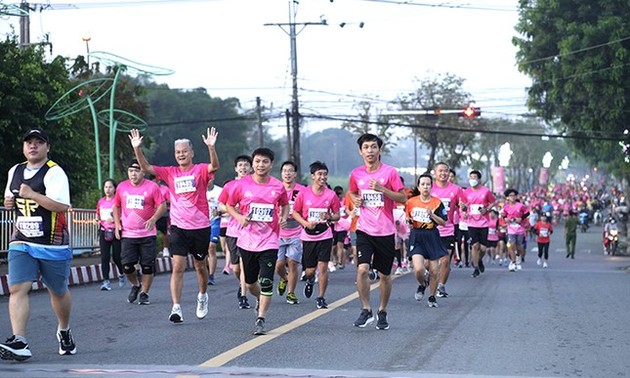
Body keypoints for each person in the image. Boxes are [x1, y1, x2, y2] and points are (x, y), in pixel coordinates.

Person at [129, 127, 219, 323]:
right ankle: (176, 307)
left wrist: (211, 147)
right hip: (178, 227)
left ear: (192, 153)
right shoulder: (170, 172)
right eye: (178, 152)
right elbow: (145, 168)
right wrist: (137, 148)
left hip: (200, 226)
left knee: (200, 266)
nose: (181, 155)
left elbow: (214, 166)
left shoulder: (200, 169)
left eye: (184, 151)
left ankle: (202, 295)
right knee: (177, 266)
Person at [1, 128, 76, 361]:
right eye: (29, 142)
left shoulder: (54, 173)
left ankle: (64, 329)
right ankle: (20, 340)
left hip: (52, 244)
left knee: (58, 291)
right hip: (21, 240)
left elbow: (62, 206)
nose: (33, 146)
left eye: (38, 142)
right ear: (24, 147)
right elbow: (11, 199)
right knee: (17, 288)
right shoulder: (15, 170)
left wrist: (32, 194)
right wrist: (8, 201)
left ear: (47, 147)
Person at [225, 148, 289, 335]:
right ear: (253, 163)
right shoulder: (241, 184)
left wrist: (284, 216)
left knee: (267, 281)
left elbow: (284, 204)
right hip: (246, 241)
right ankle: (259, 298)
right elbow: (229, 205)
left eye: (265, 162)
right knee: (251, 283)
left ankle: (261, 318)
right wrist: (239, 217)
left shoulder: (277, 186)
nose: (261, 165)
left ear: (271, 164)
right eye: (258, 161)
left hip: (269, 240)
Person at [348, 133, 407, 330]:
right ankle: (366, 309)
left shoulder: (390, 172)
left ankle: (382, 311)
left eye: (373, 147)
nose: (370, 151)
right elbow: (353, 191)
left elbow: (402, 198)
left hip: (385, 231)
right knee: (362, 269)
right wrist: (355, 199)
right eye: (366, 147)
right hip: (364, 229)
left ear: (379, 150)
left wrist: (383, 189)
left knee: (384, 276)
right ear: (360, 151)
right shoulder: (356, 173)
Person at [113, 160, 166, 305]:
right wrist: (117, 224)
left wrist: (154, 218)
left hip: (147, 234)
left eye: (136, 170)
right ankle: (136, 284)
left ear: (143, 172)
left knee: (147, 265)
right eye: (130, 171)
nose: (133, 174)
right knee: (127, 266)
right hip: (128, 234)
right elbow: (116, 206)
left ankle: (144, 292)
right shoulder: (122, 187)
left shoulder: (152, 187)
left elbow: (162, 206)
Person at [291, 161, 340, 309]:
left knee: (323, 267)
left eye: (325, 174)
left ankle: (321, 297)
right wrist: (306, 224)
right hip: (308, 236)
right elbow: (295, 212)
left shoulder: (331, 195)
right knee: (310, 270)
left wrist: (329, 218)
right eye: (319, 174)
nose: (323, 177)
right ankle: (310, 280)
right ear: (313, 176)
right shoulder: (304, 193)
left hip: (325, 234)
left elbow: (337, 215)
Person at [406, 174, 448, 308]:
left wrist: (432, 215)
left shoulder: (437, 202)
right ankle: (422, 284)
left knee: (435, 270)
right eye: (423, 184)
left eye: (428, 184)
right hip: (417, 236)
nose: (425, 187)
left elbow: (443, 222)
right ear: (418, 186)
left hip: (432, 236)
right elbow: (408, 220)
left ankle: (432, 296)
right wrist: (409, 222)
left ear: (431, 186)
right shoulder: (411, 202)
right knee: (418, 269)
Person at [218, 155, 253, 309]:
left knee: (244, 264)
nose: (243, 168)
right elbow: (221, 206)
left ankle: (244, 296)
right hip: (233, 231)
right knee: (236, 267)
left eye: (246, 165)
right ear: (236, 168)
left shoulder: (255, 186)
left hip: (250, 231)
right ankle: (242, 284)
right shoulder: (230, 186)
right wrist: (234, 210)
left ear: (251, 168)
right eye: (240, 165)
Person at [430, 162, 464, 298]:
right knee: (429, 263)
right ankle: (430, 275)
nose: (443, 173)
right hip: (430, 230)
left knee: (445, 260)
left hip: (447, 229)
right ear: (435, 173)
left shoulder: (456, 189)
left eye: (446, 171)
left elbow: (462, 204)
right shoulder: (429, 188)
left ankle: (441, 286)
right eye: (440, 171)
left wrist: (463, 207)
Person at [275, 161, 305, 305]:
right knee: (279, 265)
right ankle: (284, 278)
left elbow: (307, 207)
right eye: (285, 171)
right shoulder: (275, 189)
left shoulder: (302, 191)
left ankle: (291, 293)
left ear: (295, 174)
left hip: (296, 231)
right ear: (281, 174)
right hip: (279, 233)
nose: (287, 173)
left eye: (290, 171)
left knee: (293, 263)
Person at [459, 170, 496, 278]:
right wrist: (464, 212)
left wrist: (487, 209)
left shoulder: (485, 191)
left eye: (474, 177)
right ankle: (475, 268)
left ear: (479, 179)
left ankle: (479, 260)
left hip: (483, 223)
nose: (472, 180)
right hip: (471, 223)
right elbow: (463, 206)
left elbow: (493, 201)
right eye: (470, 177)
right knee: (475, 246)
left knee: (483, 248)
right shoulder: (466, 192)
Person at [96, 178, 124, 290]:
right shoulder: (101, 201)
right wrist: (97, 220)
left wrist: (114, 220)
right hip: (103, 231)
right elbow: (98, 214)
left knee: (117, 257)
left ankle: (121, 273)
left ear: (115, 189)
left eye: (110, 187)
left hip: (115, 231)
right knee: (104, 257)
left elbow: (123, 216)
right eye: (106, 187)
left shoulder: (118, 202)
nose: (108, 189)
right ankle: (106, 281)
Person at [501, 189, 530, 272]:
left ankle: (518, 258)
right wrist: (506, 219)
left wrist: (521, 218)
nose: (512, 197)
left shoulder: (520, 205)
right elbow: (504, 215)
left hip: (520, 229)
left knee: (518, 246)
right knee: (511, 245)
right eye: (511, 196)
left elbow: (527, 213)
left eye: (514, 195)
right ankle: (513, 262)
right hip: (510, 229)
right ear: (507, 198)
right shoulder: (506, 207)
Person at [206, 178, 223, 286]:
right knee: (202, 251)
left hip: (214, 222)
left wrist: (219, 212)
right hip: (200, 223)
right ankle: (205, 272)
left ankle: (211, 275)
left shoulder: (219, 191)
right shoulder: (198, 190)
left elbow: (225, 207)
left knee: (211, 247)